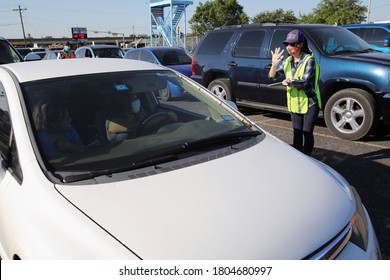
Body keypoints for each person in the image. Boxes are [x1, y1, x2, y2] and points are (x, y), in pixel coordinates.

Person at [268, 29, 321, 156]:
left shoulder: (310, 60)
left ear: (300, 45)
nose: (288, 47)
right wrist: (274, 64)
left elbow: (305, 82)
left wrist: (289, 82)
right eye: (286, 44)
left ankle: (307, 159)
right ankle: (298, 158)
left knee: (307, 133)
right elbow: (272, 76)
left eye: (292, 44)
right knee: (296, 133)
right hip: (294, 103)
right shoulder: (288, 61)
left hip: (309, 103)